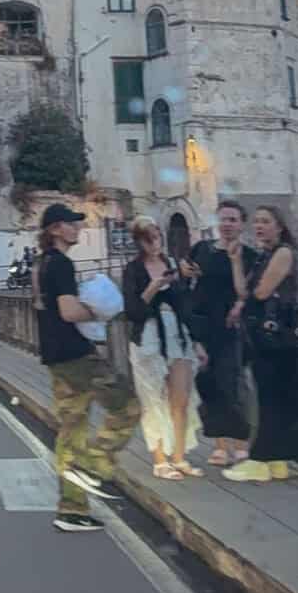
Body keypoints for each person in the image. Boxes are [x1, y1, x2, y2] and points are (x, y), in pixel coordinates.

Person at [33, 203, 141, 533]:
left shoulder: (41, 264)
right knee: (128, 407)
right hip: (77, 356)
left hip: (54, 356)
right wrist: (99, 312)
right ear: (54, 230)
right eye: (71, 224)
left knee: (72, 431)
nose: (77, 228)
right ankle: (93, 466)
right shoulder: (62, 263)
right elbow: (67, 311)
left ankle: (72, 509)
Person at [223, 205, 298, 482]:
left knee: (276, 398)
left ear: (280, 227)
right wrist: (234, 261)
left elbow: (262, 292)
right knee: (272, 397)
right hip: (265, 339)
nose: (259, 226)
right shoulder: (264, 256)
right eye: (256, 222)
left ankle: (264, 458)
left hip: (279, 338)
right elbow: (243, 292)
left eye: (265, 222)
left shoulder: (283, 253)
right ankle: (277, 460)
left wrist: (246, 299)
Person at [121, 218, 206, 481]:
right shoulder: (133, 270)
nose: (155, 242)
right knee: (153, 399)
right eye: (148, 238)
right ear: (139, 241)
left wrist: (196, 340)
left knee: (180, 399)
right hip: (148, 337)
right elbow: (133, 311)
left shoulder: (171, 263)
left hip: (177, 335)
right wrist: (152, 287)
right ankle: (160, 460)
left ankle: (179, 457)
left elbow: (184, 304)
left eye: (157, 236)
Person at [183, 201, 256, 466]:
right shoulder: (202, 249)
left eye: (233, 220)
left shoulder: (247, 255)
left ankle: (241, 442)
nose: (227, 224)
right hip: (203, 327)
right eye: (224, 219)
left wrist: (239, 305)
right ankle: (219, 444)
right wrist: (185, 270)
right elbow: (186, 274)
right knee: (209, 386)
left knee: (233, 384)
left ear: (241, 224)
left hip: (230, 328)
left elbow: (248, 293)